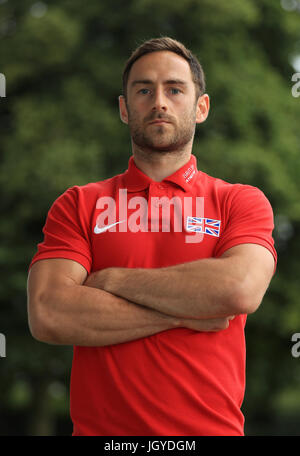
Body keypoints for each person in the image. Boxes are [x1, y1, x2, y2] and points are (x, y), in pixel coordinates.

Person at [27, 37, 277, 436]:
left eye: (174, 89)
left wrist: (111, 280)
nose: (159, 101)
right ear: (125, 109)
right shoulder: (79, 203)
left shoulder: (239, 201)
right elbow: (49, 313)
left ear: (201, 107)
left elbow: (238, 291)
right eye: (144, 90)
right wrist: (189, 310)